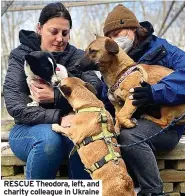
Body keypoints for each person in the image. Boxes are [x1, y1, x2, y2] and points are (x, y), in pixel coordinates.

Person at [3, 2, 102, 179]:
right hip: (28, 129)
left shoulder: (77, 56)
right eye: (53, 32)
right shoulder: (21, 56)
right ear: (39, 28)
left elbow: (95, 90)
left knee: (83, 137)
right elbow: (15, 105)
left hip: (72, 127)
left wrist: (56, 96)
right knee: (49, 140)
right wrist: (59, 117)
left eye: (65, 33)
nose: (60, 39)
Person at [102, 4, 185, 196]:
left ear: (134, 28)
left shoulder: (163, 50)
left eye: (119, 32)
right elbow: (106, 100)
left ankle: (152, 191)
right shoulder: (111, 60)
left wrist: (155, 93)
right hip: (133, 121)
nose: (116, 39)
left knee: (130, 136)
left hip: (167, 124)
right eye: (110, 36)